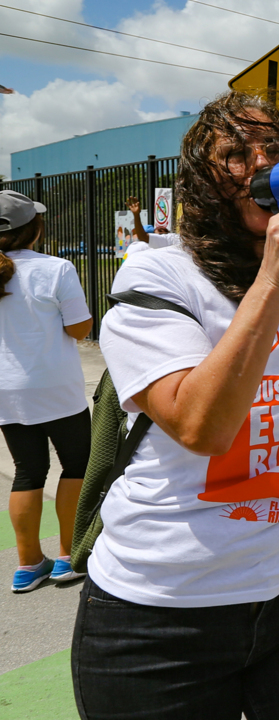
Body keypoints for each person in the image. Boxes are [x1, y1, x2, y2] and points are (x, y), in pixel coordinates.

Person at [73, 91, 279, 718]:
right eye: (235, 154)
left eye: (277, 150)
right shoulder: (158, 275)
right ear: (203, 183)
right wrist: (272, 276)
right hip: (159, 617)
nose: (260, 166)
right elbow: (200, 425)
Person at [0, 190, 93, 592]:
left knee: (27, 471)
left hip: (6, 392)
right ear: (33, 230)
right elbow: (80, 329)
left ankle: (27, 564)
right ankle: (67, 556)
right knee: (76, 466)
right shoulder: (56, 269)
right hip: (57, 388)